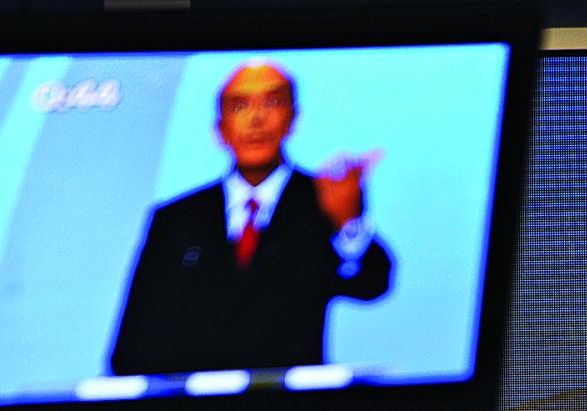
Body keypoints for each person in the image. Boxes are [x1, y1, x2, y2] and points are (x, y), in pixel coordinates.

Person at [110, 62, 393, 375]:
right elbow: (131, 342)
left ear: (292, 118)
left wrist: (348, 224)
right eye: (239, 105)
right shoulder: (175, 219)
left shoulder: (324, 201)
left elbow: (371, 284)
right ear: (219, 129)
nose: (256, 118)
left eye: (272, 102)